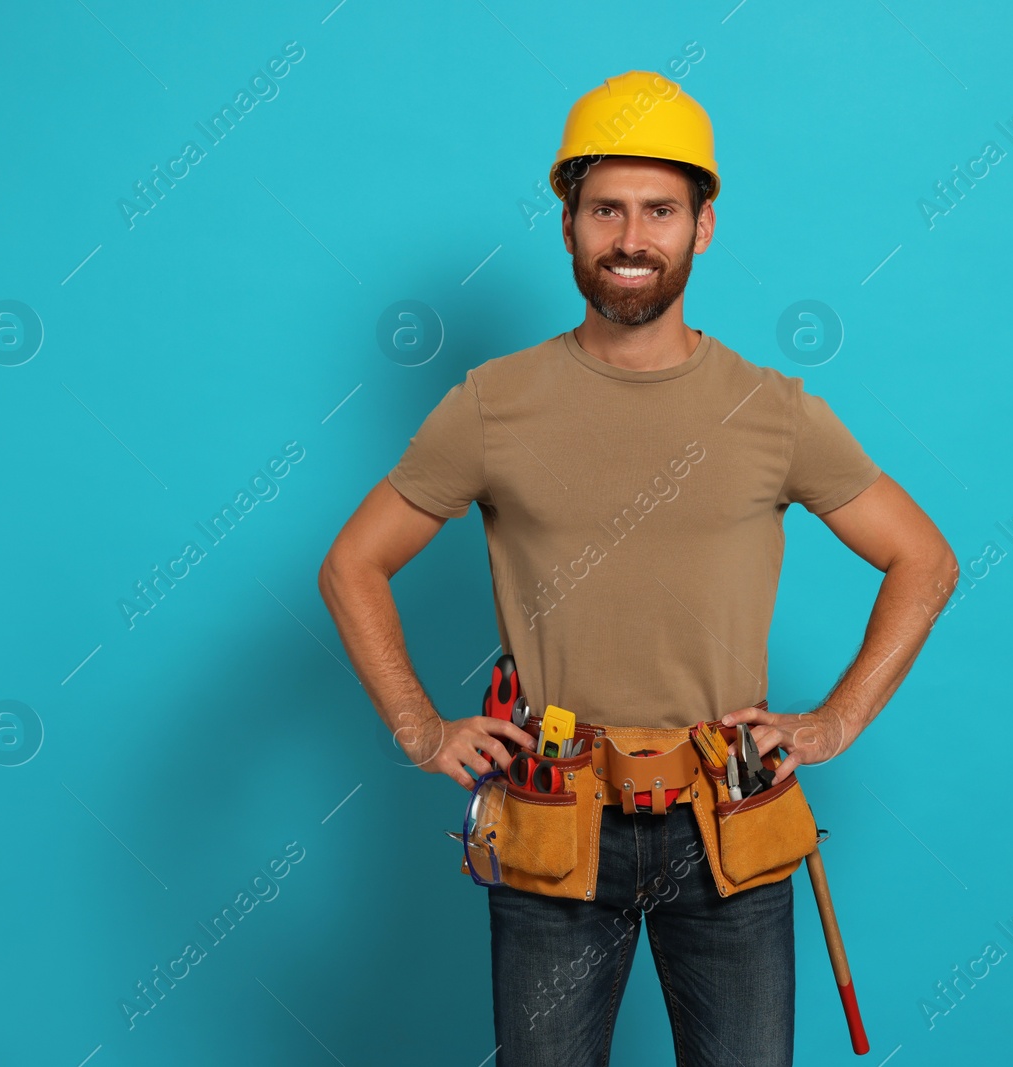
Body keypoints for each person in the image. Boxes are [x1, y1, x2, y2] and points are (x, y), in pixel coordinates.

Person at [318, 70, 958, 1067]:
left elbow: (923, 558)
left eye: (659, 210)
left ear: (703, 226)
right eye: (605, 209)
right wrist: (418, 725)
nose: (630, 237)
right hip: (552, 819)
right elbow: (352, 564)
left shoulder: (771, 409)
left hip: (728, 821)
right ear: (567, 224)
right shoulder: (493, 404)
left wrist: (832, 721)